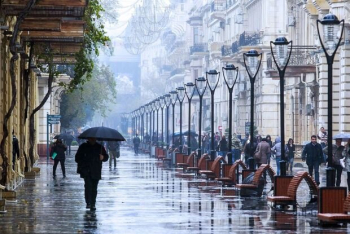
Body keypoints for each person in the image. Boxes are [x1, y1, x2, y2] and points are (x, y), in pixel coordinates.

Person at [75, 137, 109, 211]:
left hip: (96, 170)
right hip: (86, 170)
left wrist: (103, 157)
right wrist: (83, 161)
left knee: (94, 188)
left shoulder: (100, 147)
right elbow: (77, 158)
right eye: (91, 138)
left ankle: (93, 203)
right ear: (88, 139)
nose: (92, 140)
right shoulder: (83, 146)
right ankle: (88, 203)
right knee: (88, 187)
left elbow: (106, 157)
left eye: (94, 139)